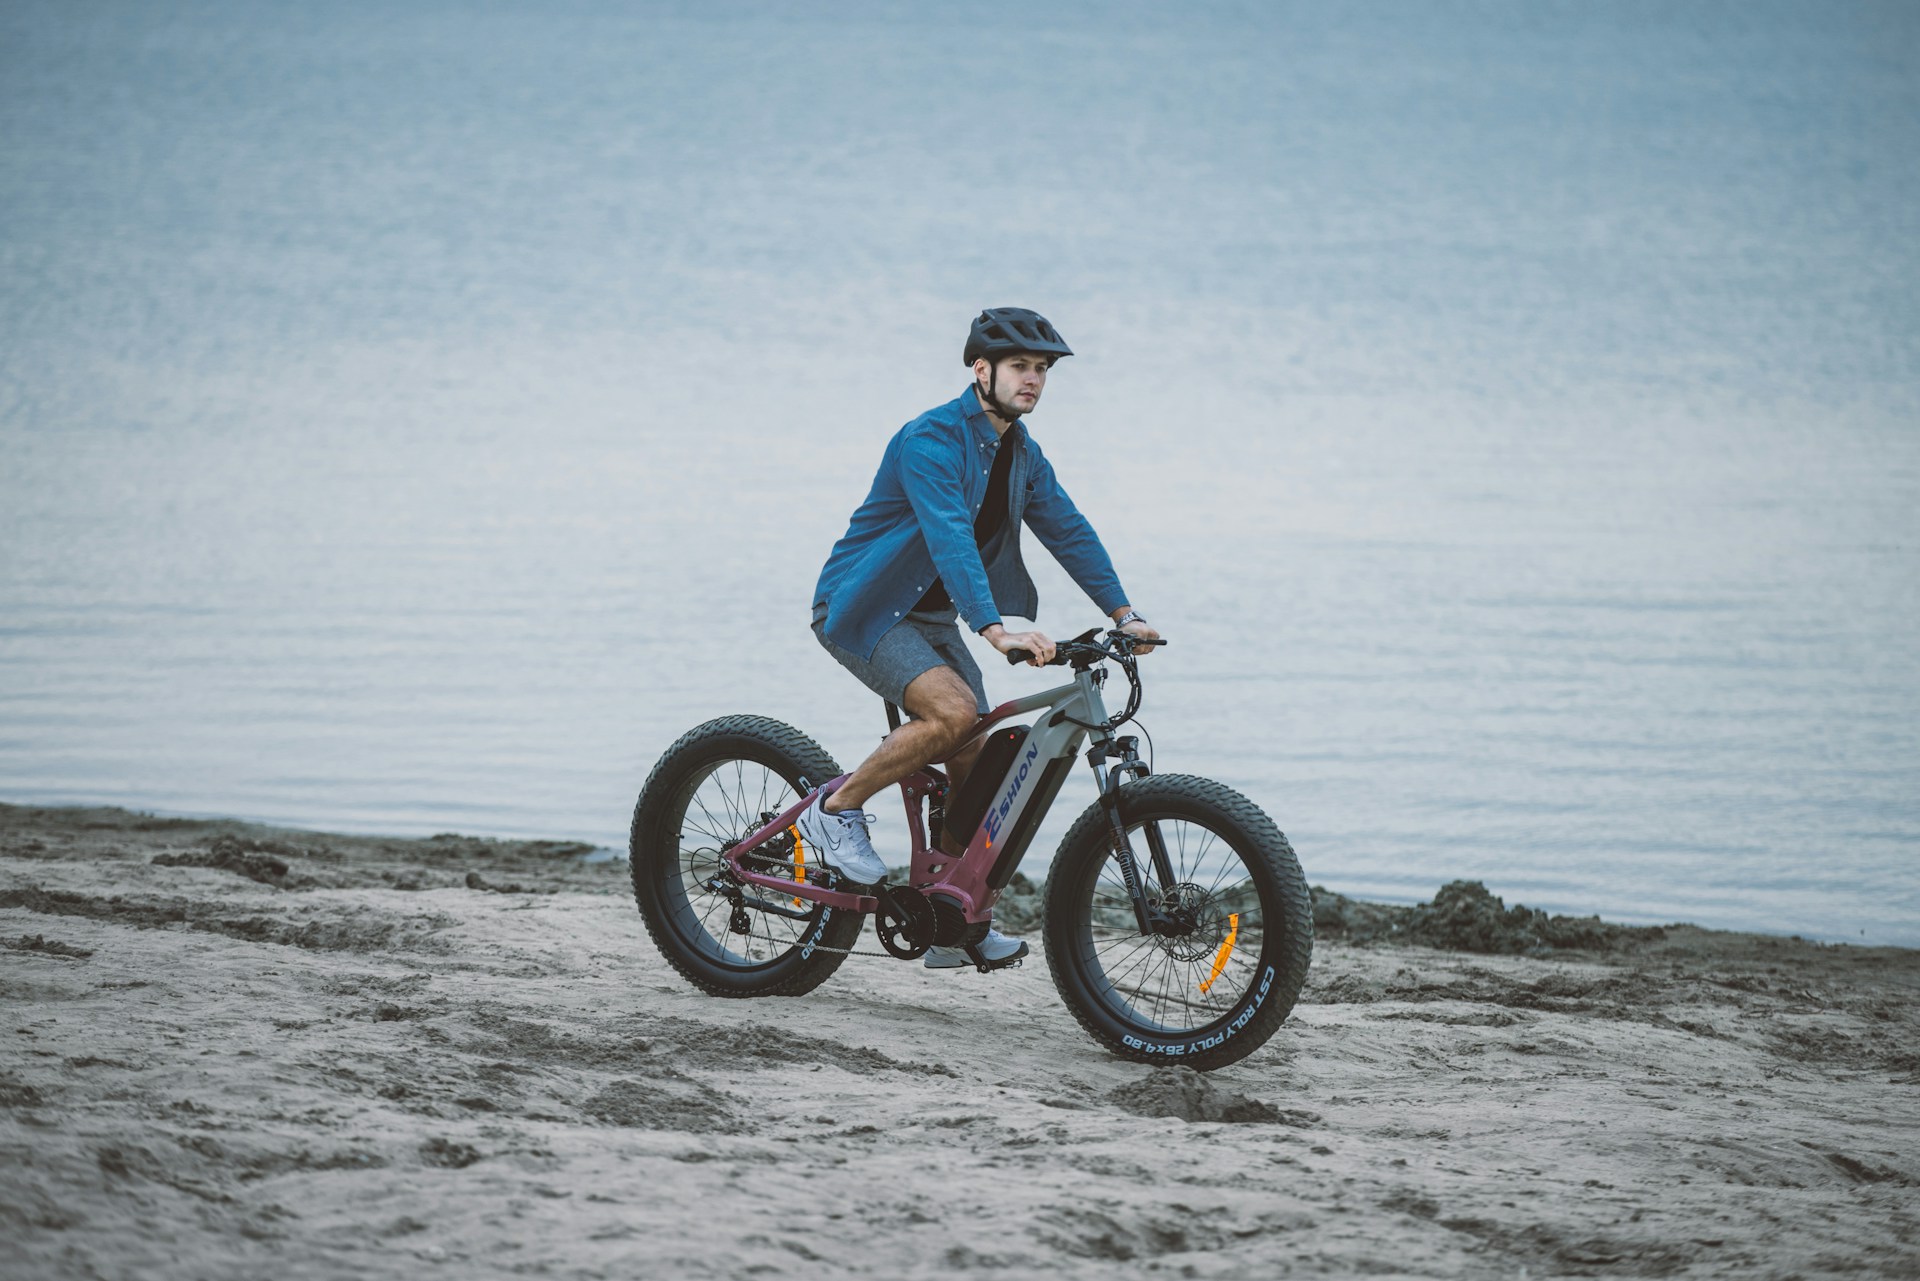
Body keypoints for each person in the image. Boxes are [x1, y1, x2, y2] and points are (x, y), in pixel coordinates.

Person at [799, 307, 1160, 969]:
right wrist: (994, 628)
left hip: (932, 617)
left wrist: (1124, 613)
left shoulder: (1021, 453)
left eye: (1043, 370)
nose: (1034, 380)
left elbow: (1069, 530)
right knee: (954, 712)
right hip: (866, 608)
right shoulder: (931, 439)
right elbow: (949, 535)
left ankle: (950, 916)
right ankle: (835, 808)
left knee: (975, 753)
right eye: (1022, 366)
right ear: (981, 370)